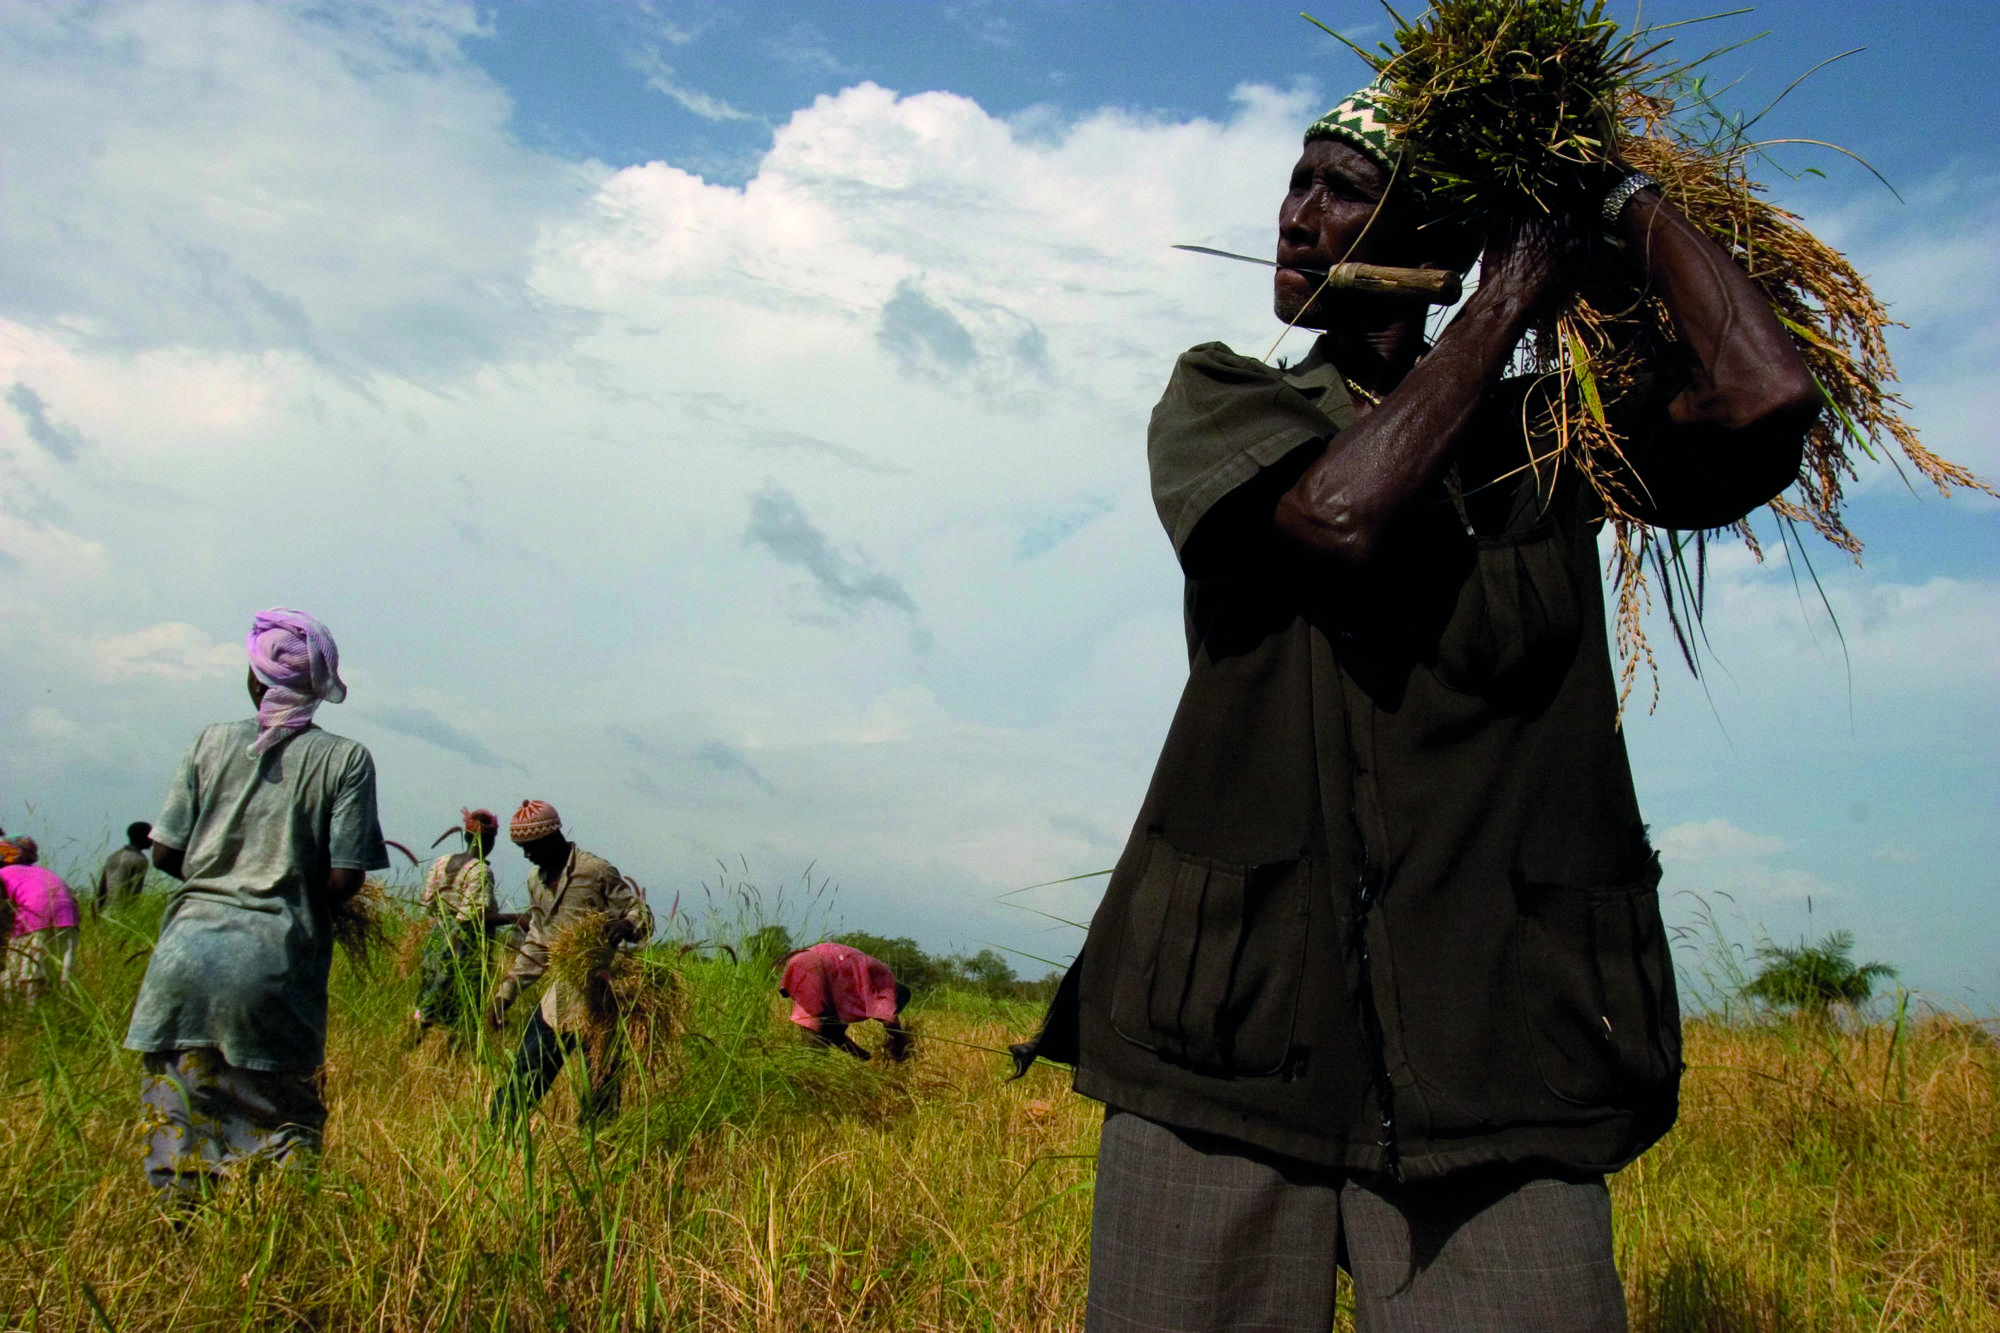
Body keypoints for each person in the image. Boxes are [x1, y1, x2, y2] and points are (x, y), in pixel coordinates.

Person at [1012, 87, 1817, 1332]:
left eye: (1339, 189)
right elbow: (1335, 521)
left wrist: (1608, 202)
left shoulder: (1552, 443)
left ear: (1433, 243)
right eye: (1295, 183)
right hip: (1226, 1033)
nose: (1295, 217)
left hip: (1500, 1048)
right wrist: (1505, 304)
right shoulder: (1227, 402)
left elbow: (1763, 398)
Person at [123, 608, 388, 1196]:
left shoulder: (210, 742)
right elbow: (345, 878)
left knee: (178, 1123)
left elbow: (166, 853)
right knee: (282, 1124)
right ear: (317, 683)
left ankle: (182, 1252)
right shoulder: (344, 759)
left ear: (255, 677)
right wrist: (285, 882)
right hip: (272, 965)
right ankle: (278, 1248)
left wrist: (222, 874)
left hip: (183, 961)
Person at [486, 800, 652, 1127]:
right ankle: (495, 1137)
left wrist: (624, 926)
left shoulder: (594, 871)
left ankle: (597, 1150)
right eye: (521, 848)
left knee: (601, 1088)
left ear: (552, 838)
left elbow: (641, 914)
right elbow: (537, 942)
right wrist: (507, 993)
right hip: (560, 1001)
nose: (526, 855)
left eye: (529, 847)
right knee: (525, 1076)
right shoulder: (535, 880)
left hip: (603, 998)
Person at [412, 807, 513, 1037]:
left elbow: (427, 903)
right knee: (463, 1006)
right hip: (464, 948)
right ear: (490, 841)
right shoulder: (480, 871)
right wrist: (517, 918)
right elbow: (474, 917)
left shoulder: (441, 862)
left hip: (437, 940)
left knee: (429, 998)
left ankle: (411, 1047)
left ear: (467, 836)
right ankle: (450, 1056)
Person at [779, 941, 913, 1061]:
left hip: (805, 961)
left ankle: (809, 1075)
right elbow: (890, 1021)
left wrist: (864, 1057)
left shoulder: (848, 992)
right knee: (814, 1038)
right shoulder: (886, 983)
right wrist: (901, 1042)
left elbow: (835, 1035)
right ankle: (812, 1079)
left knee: (822, 1029)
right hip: (813, 967)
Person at [2, 838, 81, 999]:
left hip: (35, 916)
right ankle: (60, 1008)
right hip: (69, 917)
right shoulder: (43, 872)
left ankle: (27, 1015)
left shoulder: (3, 874)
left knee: (26, 970)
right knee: (59, 972)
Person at [94, 821, 153, 913]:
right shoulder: (140, 860)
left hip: (106, 911)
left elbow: (102, 888)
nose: (153, 839)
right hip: (123, 911)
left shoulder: (113, 856)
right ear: (143, 837)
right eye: (150, 835)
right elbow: (135, 892)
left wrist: (97, 911)